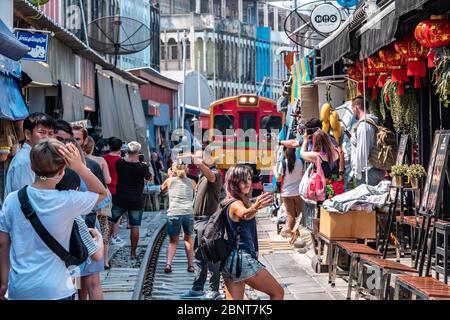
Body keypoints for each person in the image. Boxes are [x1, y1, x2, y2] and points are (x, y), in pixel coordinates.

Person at [0, 139, 107, 300]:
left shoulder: (12, 199)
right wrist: (79, 166)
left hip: (20, 288)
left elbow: (3, 244)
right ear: (62, 170)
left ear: (32, 167)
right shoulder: (69, 200)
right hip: (57, 289)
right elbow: (101, 193)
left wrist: (3, 283)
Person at [221, 165, 284, 300]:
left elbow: (247, 213)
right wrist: (256, 206)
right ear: (233, 182)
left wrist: (258, 204)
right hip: (242, 260)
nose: (247, 183)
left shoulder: (234, 201)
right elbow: (244, 214)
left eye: (249, 179)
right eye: (242, 180)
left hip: (230, 261)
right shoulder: (235, 204)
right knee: (278, 293)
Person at [180, 152, 223, 300]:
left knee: (211, 256)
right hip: (199, 221)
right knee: (199, 257)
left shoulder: (215, 174)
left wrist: (196, 161)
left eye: (202, 157)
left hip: (207, 221)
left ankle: (213, 289)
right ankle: (197, 288)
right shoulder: (201, 176)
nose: (199, 159)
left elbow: (211, 175)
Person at [109, 141, 151, 260]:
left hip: (120, 198)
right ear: (138, 152)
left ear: (127, 151)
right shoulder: (142, 166)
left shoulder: (120, 163)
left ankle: (106, 246)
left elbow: (119, 169)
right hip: (136, 200)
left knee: (111, 222)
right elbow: (149, 177)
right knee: (135, 226)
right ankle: (133, 253)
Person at [4, 113, 56, 198]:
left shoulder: (35, 157)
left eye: (50, 133)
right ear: (28, 134)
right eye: (42, 132)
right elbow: (26, 200)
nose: (47, 137)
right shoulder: (26, 161)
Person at [160, 162, 196, 274]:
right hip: (188, 213)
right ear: (186, 169)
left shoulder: (169, 181)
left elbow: (162, 189)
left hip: (174, 212)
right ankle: (190, 265)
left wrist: (170, 176)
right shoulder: (192, 182)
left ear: (173, 169)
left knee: (173, 241)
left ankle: (168, 264)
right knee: (188, 239)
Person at [83, 136, 112, 270]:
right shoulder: (100, 161)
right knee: (103, 230)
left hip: (84, 201)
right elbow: (107, 180)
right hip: (99, 199)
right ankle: (104, 260)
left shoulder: (77, 162)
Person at [350, 96, 385, 186]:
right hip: (371, 170)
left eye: (352, 108)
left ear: (356, 107)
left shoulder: (364, 125)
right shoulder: (371, 123)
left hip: (367, 173)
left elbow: (363, 152)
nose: (352, 112)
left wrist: (357, 174)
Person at [273, 147, 303, 238]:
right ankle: (297, 233)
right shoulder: (300, 162)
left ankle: (289, 233)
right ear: (294, 152)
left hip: (286, 193)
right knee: (299, 214)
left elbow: (279, 179)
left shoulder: (283, 163)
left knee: (290, 214)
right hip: (298, 192)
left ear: (285, 153)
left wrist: (274, 169)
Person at [104, 137, 124, 245]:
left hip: (107, 189)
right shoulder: (121, 160)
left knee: (107, 214)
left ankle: (107, 236)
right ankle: (114, 236)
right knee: (117, 215)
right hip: (118, 189)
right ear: (120, 147)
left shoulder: (104, 158)